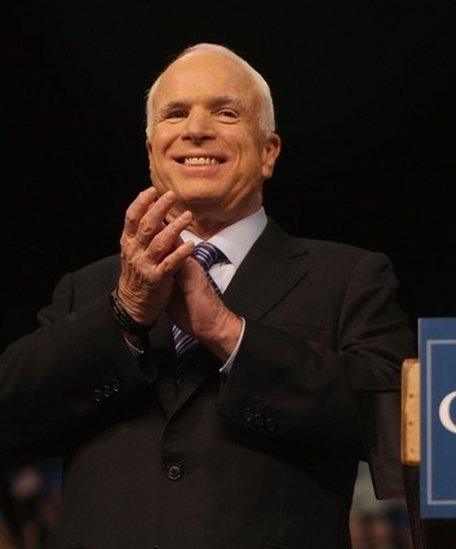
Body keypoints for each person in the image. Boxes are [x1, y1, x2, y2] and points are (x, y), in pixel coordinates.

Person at [0, 43, 413, 548]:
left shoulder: (348, 277)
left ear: (268, 152)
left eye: (226, 112)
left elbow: (396, 424)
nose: (196, 129)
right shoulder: (86, 289)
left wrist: (228, 333)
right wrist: (124, 314)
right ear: (153, 152)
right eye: (175, 114)